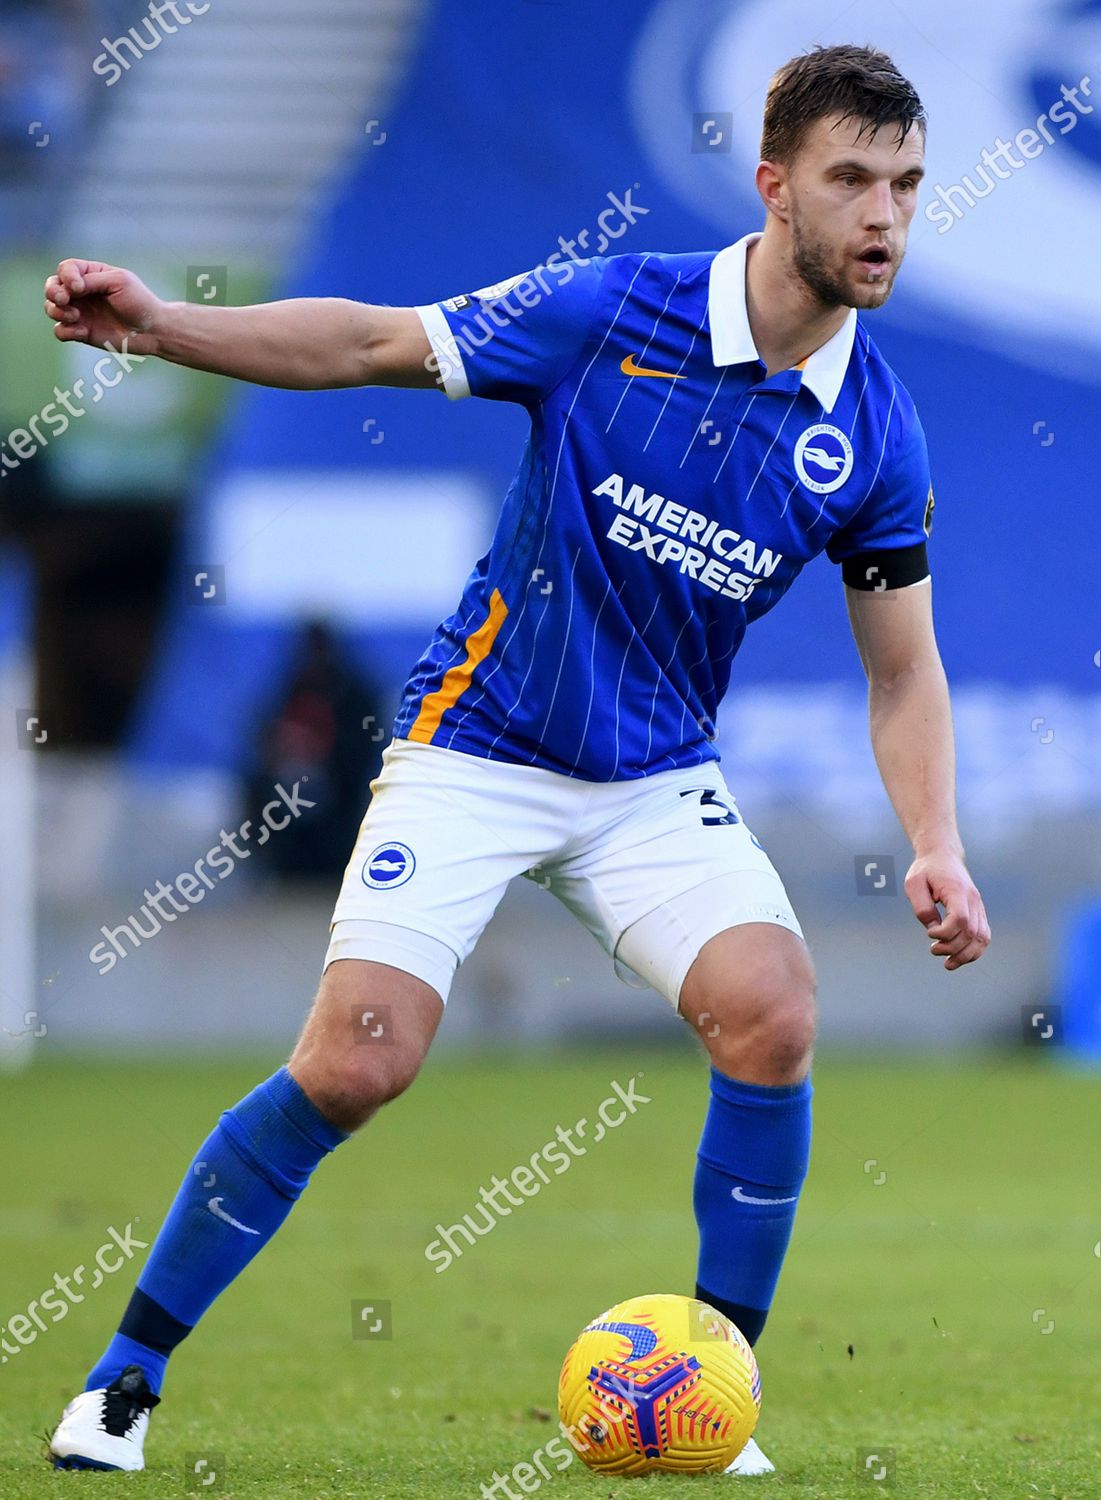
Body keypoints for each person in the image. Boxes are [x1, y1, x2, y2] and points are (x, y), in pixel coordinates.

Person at [42, 44, 990, 1477]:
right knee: (360, 1064)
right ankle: (121, 1378)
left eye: (905, 187)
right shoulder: (617, 309)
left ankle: (714, 1387)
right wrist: (162, 327)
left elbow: (902, 671)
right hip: (477, 744)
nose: (883, 218)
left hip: (650, 777)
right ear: (773, 184)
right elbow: (370, 341)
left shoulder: (874, 433)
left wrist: (935, 842)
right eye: (851, 180)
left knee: (772, 1015)